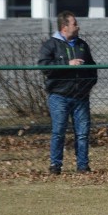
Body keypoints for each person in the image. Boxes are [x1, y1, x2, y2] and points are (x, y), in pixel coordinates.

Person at [38, 11, 97, 174]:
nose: (77, 26)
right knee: (58, 131)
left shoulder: (82, 45)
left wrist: (88, 86)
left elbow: (93, 67)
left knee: (83, 133)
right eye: (74, 23)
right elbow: (44, 66)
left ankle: (83, 166)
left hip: (81, 97)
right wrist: (66, 63)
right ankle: (55, 165)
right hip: (59, 96)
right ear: (65, 27)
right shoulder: (50, 45)